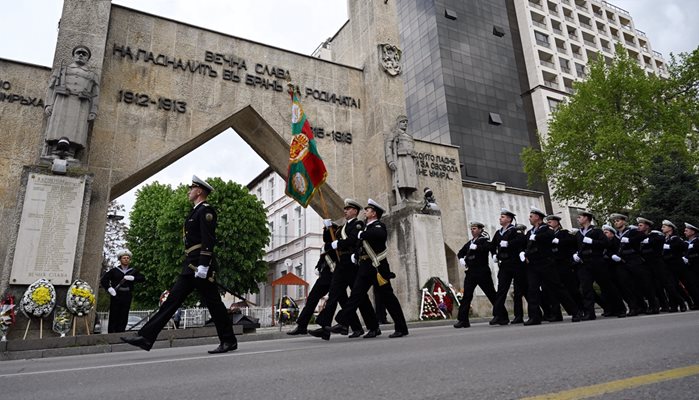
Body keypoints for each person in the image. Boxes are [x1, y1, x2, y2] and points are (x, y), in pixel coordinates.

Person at [122, 176, 237, 354]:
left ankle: (228, 341)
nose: (188, 191)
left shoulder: (206, 211)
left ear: (199, 191)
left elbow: (208, 240)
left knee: (212, 304)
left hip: (199, 266)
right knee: (173, 301)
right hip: (191, 266)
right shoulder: (195, 212)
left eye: (191, 189)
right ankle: (145, 337)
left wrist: (204, 265)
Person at [334, 199, 409, 338]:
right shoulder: (366, 228)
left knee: (388, 298)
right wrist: (356, 255)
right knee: (356, 295)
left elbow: (380, 235)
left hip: (378, 268)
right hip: (365, 267)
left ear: (374, 213)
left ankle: (401, 328)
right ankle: (343, 322)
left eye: (367, 210)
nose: (365, 211)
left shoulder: (378, 226)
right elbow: (361, 245)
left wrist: (362, 235)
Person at [309, 199, 376, 340]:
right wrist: (328, 228)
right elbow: (330, 240)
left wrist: (336, 244)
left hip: (351, 264)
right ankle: (325, 327)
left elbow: (352, 240)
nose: (345, 211)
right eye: (345, 209)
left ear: (355, 211)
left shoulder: (358, 224)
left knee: (360, 298)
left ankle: (373, 327)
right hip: (341, 264)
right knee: (334, 293)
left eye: (348, 208)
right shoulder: (344, 226)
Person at [522, 207, 581, 325]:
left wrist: (537, 237)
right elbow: (527, 245)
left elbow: (549, 237)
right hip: (533, 264)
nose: (529, 218)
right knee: (532, 290)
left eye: (531, 216)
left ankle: (575, 312)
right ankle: (534, 317)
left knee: (557, 288)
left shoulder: (546, 228)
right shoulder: (530, 232)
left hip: (545, 263)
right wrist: (525, 254)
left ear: (537, 217)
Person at [44, 45, 99, 159]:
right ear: (74, 55)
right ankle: (55, 151)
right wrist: (49, 104)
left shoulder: (92, 75)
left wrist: (93, 110)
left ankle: (71, 153)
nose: (81, 55)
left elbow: (95, 94)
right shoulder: (62, 70)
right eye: (78, 53)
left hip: (81, 104)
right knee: (58, 125)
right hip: (62, 101)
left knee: (76, 128)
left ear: (87, 58)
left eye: (84, 54)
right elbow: (51, 87)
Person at [287, 222, 340, 335]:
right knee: (312, 299)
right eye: (324, 230)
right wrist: (318, 267)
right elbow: (322, 260)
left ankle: (355, 326)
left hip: (336, 275)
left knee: (339, 301)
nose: (325, 233)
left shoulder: (337, 244)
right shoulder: (325, 246)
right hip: (325, 276)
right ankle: (302, 325)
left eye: (327, 230)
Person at [573, 211, 625, 320]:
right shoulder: (578, 233)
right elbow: (577, 247)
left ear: (587, 218)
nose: (578, 219)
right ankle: (590, 313)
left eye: (580, 217)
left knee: (607, 286)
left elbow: (606, 243)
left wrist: (592, 241)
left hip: (597, 262)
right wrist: (576, 255)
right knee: (585, 288)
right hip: (584, 263)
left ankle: (620, 309)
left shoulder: (596, 231)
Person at [453, 222, 497, 328]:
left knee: (491, 293)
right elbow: (460, 252)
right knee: (467, 296)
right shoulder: (469, 243)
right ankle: (463, 320)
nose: (472, 230)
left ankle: (501, 315)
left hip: (482, 272)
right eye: (471, 229)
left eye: (475, 228)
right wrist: (461, 259)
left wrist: (477, 247)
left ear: (480, 230)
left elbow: (489, 248)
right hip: (471, 272)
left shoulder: (484, 240)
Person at [490, 208, 527, 325]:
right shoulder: (498, 232)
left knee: (520, 290)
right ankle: (499, 315)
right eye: (501, 216)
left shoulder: (515, 230)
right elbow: (492, 245)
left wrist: (509, 244)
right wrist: (494, 254)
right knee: (501, 290)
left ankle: (519, 315)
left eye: (503, 217)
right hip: (504, 264)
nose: (500, 218)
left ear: (509, 219)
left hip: (515, 264)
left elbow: (522, 241)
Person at [100, 249, 144, 333]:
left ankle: (121, 332)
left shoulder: (132, 271)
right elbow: (104, 280)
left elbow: (142, 278)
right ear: (120, 259)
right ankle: (112, 333)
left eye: (128, 258)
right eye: (124, 258)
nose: (126, 259)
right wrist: (109, 288)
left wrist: (134, 278)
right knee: (114, 314)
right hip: (116, 294)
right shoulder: (114, 270)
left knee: (124, 314)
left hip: (127, 294)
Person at [546, 215, 583, 316]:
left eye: (551, 221)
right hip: (553, 264)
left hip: (564, 263)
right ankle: (561, 312)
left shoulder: (564, 233)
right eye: (548, 221)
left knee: (571, 288)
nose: (548, 222)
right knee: (556, 290)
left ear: (557, 222)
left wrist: (560, 241)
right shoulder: (547, 234)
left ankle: (580, 308)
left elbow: (572, 241)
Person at [384, 115, 418, 203]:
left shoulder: (409, 136)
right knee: (403, 177)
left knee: (410, 178)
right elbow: (388, 146)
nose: (405, 124)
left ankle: (409, 196)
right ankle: (402, 196)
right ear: (398, 124)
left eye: (406, 122)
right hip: (401, 159)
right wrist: (390, 160)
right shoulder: (395, 134)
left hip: (410, 159)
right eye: (403, 122)